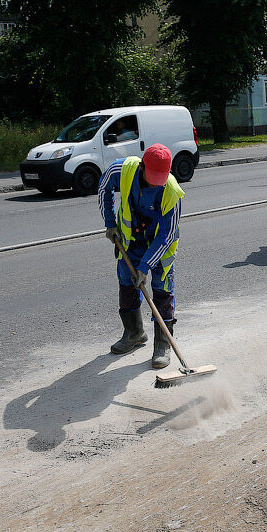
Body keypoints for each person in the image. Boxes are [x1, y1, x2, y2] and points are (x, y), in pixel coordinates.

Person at [99, 144, 184, 368]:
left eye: (160, 179)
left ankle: (163, 344)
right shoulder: (122, 170)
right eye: (152, 178)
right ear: (142, 166)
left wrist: (145, 266)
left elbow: (166, 236)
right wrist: (110, 223)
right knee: (127, 283)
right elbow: (104, 187)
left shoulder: (172, 192)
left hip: (160, 247)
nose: (156, 184)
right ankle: (134, 333)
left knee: (162, 290)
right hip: (131, 241)